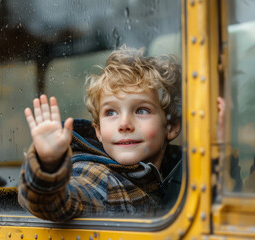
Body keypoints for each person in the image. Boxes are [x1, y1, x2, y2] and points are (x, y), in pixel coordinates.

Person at [18, 46, 182, 222]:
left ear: (171, 126)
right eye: (111, 113)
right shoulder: (99, 176)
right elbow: (54, 202)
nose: (124, 124)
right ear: (99, 131)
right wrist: (49, 165)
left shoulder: (175, 168)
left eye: (141, 110)